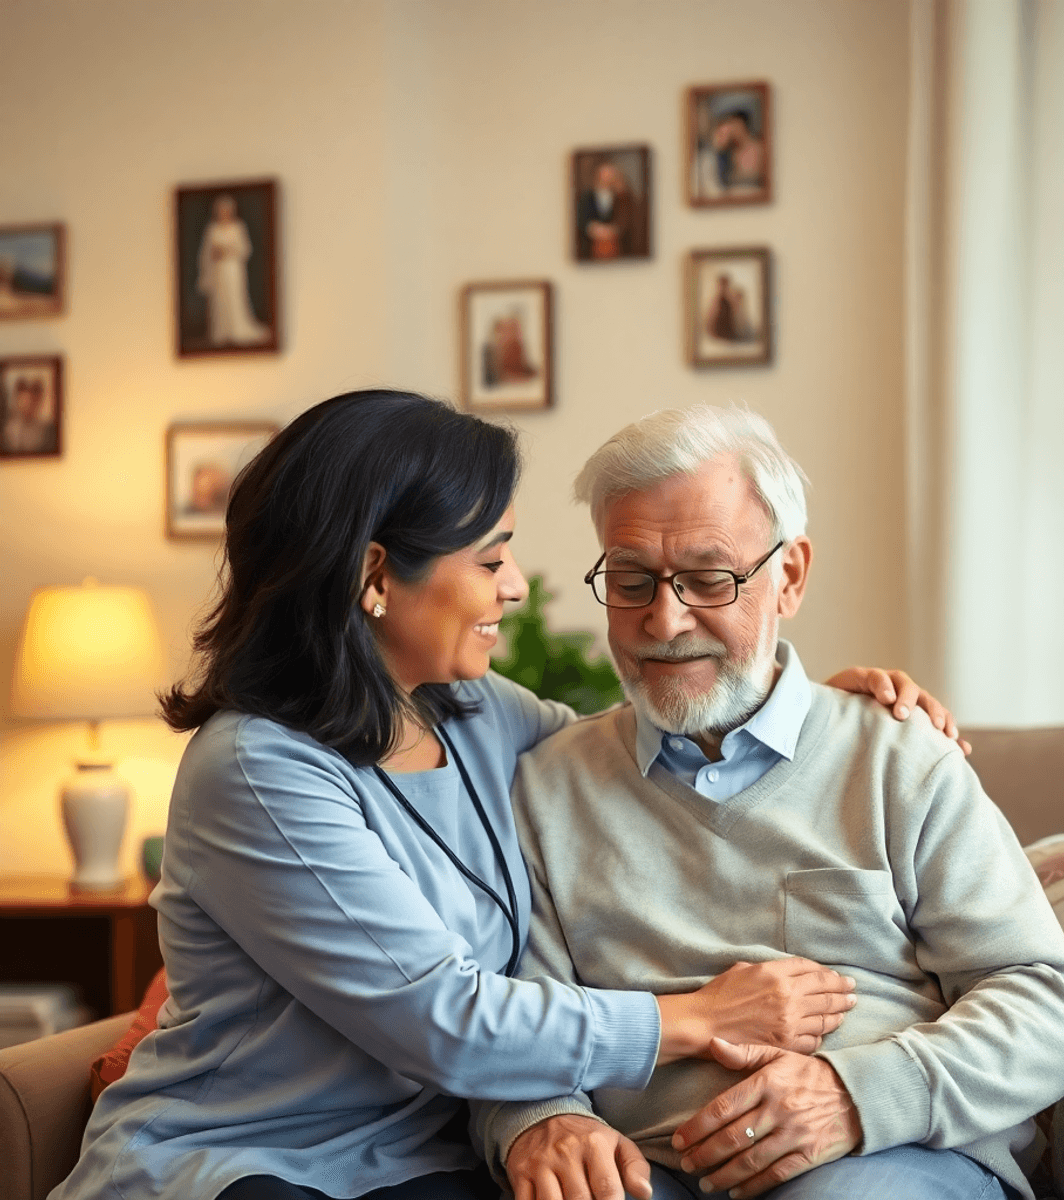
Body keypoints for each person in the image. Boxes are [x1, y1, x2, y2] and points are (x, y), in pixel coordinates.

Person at [49, 390, 954, 1200]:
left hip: (420, 1160)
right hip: (249, 1160)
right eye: (490, 561)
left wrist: (810, 706)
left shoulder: (476, 713)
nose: (515, 590)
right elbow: (443, 1021)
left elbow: (651, 730)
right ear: (373, 577)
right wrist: (697, 1019)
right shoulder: (257, 769)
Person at [477, 405, 1064, 1200]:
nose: (664, 622)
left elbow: (1049, 1001)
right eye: (631, 580)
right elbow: (501, 1017)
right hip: (642, 1172)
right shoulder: (546, 786)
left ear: (791, 577)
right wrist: (539, 1118)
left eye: (709, 578)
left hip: (878, 1162)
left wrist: (856, 1095)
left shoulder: (898, 758)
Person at [196, 193, 270, 347]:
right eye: (221, 210)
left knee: (234, 297)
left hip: (233, 268)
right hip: (218, 270)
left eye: (226, 210)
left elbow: (245, 249)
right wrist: (214, 255)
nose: (224, 213)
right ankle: (222, 332)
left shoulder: (238, 227)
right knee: (220, 299)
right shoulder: (212, 229)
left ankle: (237, 329)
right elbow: (206, 252)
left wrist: (227, 251)